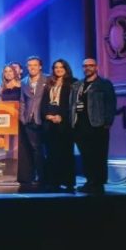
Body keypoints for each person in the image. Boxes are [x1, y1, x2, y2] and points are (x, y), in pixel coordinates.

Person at [71, 58, 116, 194]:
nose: (88, 68)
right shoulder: (77, 85)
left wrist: (108, 121)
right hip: (80, 125)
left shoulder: (104, 84)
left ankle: (98, 183)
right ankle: (90, 181)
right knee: (86, 155)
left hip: (97, 125)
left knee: (99, 155)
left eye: (91, 65)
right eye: (85, 66)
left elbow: (111, 103)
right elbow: (72, 104)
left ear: (96, 67)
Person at [41, 59, 76, 192]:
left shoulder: (73, 83)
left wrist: (61, 116)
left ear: (66, 68)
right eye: (56, 67)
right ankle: (53, 181)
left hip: (65, 122)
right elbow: (44, 102)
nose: (58, 69)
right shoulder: (49, 83)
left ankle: (68, 182)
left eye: (61, 67)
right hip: (49, 122)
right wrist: (47, 115)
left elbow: (72, 104)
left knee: (66, 153)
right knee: (52, 153)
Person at [18, 56, 49, 188]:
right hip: (29, 120)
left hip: (44, 119)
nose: (32, 67)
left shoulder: (48, 79)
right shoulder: (24, 81)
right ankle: (39, 176)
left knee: (44, 149)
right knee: (34, 149)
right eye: (30, 65)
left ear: (40, 67)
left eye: (35, 65)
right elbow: (22, 101)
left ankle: (47, 176)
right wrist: (22, 117)